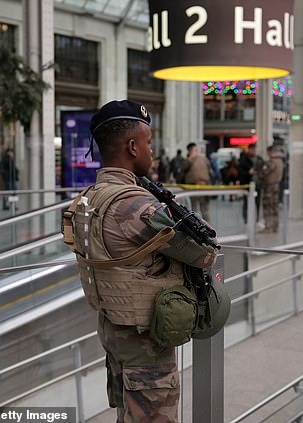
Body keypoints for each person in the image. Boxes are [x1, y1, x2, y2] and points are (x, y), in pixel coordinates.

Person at [66, 100, 217, 422]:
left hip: (116, 329)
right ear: (133, 147)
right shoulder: (134, 204)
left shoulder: (90, 197)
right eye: (149, 143)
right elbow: (204, 254)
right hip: (144, 339)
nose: (153, 152)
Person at [182, 142, 213, 220]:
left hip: (194, 187)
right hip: (204, 186)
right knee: (204, 209)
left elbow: (182, 171)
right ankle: (208, 227)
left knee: (195, 208)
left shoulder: (189, 160)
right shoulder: (204, 159)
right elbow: (211, 172)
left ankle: (198, 227)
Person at [260, 146, 284, 233]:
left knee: (268, 206)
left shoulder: (271, 162)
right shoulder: (280, 161)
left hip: (269, 186)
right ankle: (275, 226)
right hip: (277, 186)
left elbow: (264, 173)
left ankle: (268, 227)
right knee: (275, 206)